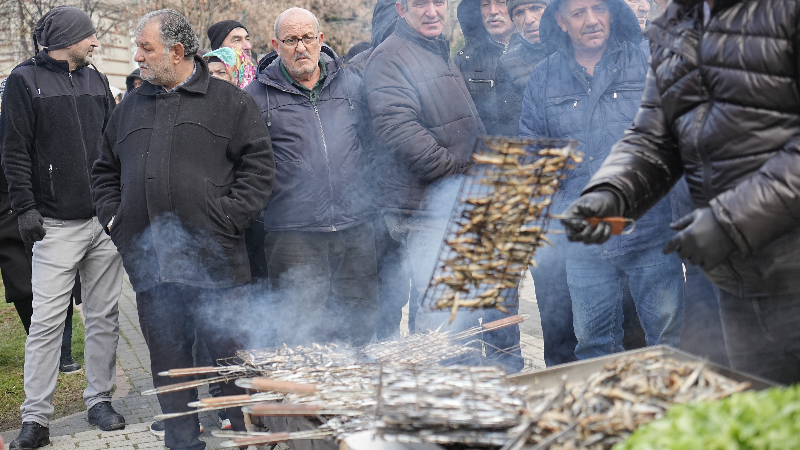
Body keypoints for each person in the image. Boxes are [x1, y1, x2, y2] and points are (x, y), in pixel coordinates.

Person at [563, 0, 800, 384]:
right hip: (735, 277)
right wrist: (609, 194)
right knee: (761, 417)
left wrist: (731, 221)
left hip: (790, 267)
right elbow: (655, 136)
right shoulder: (677, 23)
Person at [91, 9, 275, 450]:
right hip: (152, 269)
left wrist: (228, 219)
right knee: (170, 372)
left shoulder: (231, 103)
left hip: (219, 266)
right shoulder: (129, 107)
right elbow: (103, 171)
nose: (137, 57)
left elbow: (260, 169)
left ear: (176, 52)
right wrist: (117, 220)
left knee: (233, 367)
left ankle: (248, 440)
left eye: (145, 48)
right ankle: (182, 443)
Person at [520, 0, 684, 360]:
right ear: (561, 22)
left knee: (669, 341)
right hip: (585, 239)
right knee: (594, 345)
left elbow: (675, 138)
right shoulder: (544, 77)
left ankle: (672, 415)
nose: (591, 20)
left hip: (649, 230)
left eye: (599, 9)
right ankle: (604, 415)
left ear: (613, 12)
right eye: (579, 13)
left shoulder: (647, 61)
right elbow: (536, 162)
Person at [2, 7, 125, 449]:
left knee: (105, 317)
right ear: (68, 38)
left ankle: (99, 400)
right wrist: (26, 210)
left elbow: (112, 144)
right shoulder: (22, 80)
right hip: (53, 225)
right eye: (90, 36)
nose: (96, 43)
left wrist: (117, 205)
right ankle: (35, 419)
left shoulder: (96, 79)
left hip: (102, 223)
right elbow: (14, 151)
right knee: (47, 323)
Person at [244, 7, 377, 347]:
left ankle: (354, 397)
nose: (300, 47)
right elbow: (245, 165)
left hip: (355, 228)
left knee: (359, 329)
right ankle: (305, 399)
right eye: (290, 40)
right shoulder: (255, 98)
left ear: (321, 40)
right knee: (299, 334)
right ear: (276, 44)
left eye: (307, 38)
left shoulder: (351, 84)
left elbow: (372, 144)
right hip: (293, 236)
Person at [365, 0, 485, 333]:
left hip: (447, 206)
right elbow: (399, 131)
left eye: (439, 2)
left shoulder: (433, 49)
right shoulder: (391, 57)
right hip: (424, 211)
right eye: (421, 4)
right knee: (439, 312)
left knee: (447, 309)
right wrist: (458, 175)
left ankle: (439, 378)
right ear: (402, 11)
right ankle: (430, 381)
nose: (432, 11)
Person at [456, 0, 517, 135]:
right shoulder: (465, 60)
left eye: (501, 2)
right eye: (485, 4)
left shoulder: (539, 52)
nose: (493, 11)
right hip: (486, 153)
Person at [494, 0, 549, 137]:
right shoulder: (507, 64)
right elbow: (512, 130)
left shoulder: (577, 49)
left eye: (536, 8)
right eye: (519, 13)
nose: (529, 19)